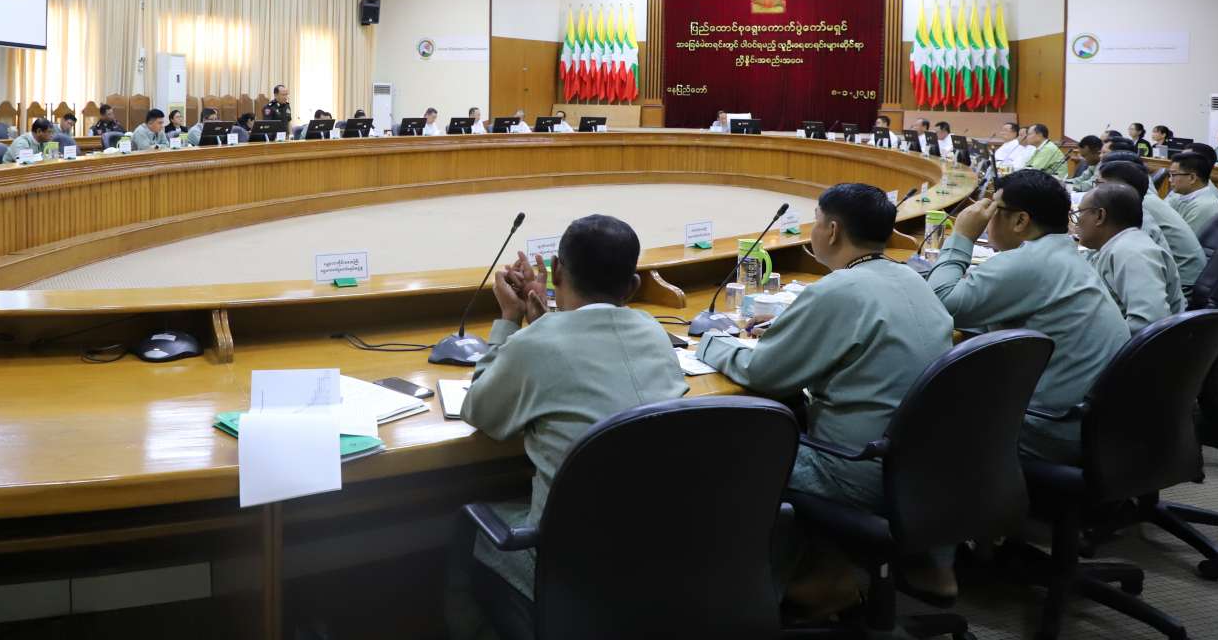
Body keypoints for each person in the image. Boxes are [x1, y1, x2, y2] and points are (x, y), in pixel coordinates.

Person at [696, 184, 953, 568]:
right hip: (921, 469)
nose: (812, 230)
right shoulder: (910, 277)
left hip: (854, 469)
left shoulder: (839, 289)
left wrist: (711, 340)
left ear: (832, 231)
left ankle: (797, 578)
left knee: (724, 453)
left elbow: (760, 372)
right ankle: (830, 564)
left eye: (815, 221)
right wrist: (791, 326)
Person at [454, 215, 684, 629]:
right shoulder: (653, 331)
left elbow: (479, 410)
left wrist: (509, 318)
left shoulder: (534, 345)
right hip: (663, 560)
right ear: (633, 287)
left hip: (572, 570)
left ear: (556, 271)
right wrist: (542, 322)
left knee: (465, 532)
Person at [927, 170, 1128, 462]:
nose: (985, 218)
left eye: (994, 209)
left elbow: (940, 305)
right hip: (1096, 423)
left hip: (1051, 429)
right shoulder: (1061, 253)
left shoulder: (1031, 262)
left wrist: (961, 236)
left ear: (1021, 220)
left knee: (927, 413)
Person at [1076, 183, 1185, 334]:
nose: (1077, 221)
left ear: (1100, 216)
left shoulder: (1132, 253)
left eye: (1080, 213)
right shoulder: (1116, 245)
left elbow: (1149, 323)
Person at [1097, 156, 1205, 292]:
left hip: (1183, 281)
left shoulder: (1140, 210)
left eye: (1099, 184)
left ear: (1121, 188)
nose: (1094, 191)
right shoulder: (1138, 201)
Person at [1166, 151, 1218, 239]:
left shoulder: (1204, 207)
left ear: (1192, 178)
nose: (1170, 180)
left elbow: (1182, 242)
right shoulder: (1181, 195)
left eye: (1173, 175)